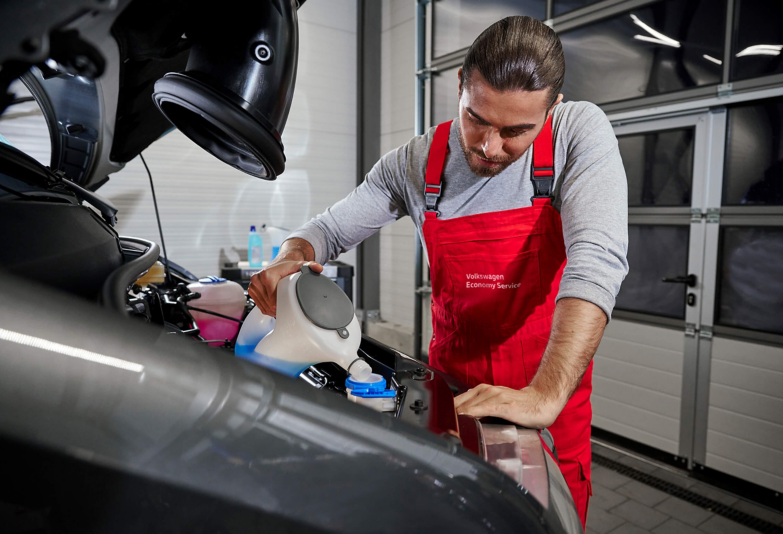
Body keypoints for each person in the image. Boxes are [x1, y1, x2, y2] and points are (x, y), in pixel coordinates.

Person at [248, 16, 628, 527]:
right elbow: (328, 230)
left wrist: (545, 394)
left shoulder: (576, 135)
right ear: (460, 86)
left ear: (552, 109)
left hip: (543, 406)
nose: (490, 147)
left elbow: (596, 256)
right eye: (477, 119)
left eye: (515, 131)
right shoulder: (417, 163)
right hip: (449, 398)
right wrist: (288, 256)